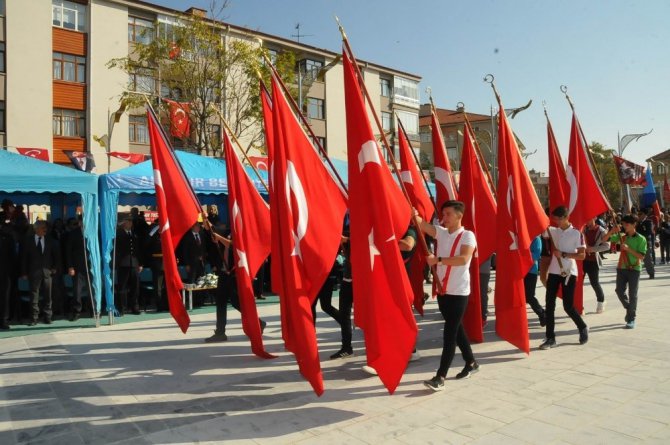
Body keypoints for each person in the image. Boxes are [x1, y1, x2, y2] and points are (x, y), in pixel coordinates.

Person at [415, 200, 478, 391]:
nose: (444, 218)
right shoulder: (441, 232)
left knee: (449, 333)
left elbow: (463, 259)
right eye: (443, 214)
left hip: (458, 292)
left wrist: (438, 260)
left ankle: (440, 376)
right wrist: (411, 211)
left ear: (459, 215)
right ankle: (471, 362)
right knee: (457, 329)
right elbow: (421, 224)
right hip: (443, 291)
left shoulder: (468, 235)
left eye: (448, 214)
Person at [204, 225, 266, 342]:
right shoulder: (228, 231)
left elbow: (235, 247)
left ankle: (258, 322)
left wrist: (219, 238)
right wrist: (209, 226)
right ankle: (220, 332)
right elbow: (215, 230)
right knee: (220, 302)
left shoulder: (243, 232)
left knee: (237, 302)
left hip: (235, 273)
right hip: (224, 272)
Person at [540, 206, 588, 350]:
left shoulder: (576, 234)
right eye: (554, 219)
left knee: (568, 306)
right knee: (549, 305)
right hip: (554, 272)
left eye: (558, 219)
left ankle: (582, 327)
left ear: (566, 217)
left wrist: (565, 255)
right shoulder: (553, 231)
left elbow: (582, 255)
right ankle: (550, 338)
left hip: (569, 273)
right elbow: (541, 228)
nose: (556, 221)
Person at [603, 214, 647, 329]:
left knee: (633, 294)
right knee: (619, 291)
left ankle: (631, 318)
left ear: (634, 225)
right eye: (623, 224)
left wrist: (628, 249)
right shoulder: (622, 236)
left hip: (634, 269)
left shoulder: (641, 239)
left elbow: (641, 257)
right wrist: (612, 230)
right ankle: (629, 308)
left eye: (626, 224)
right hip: (622, 268)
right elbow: (604, 239)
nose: (624, 226)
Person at [21, 221, 61, 325]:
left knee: (48, 295)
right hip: (33, 273)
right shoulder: (28, 241)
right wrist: (24, 272)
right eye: (43, 227)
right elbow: (24, 258)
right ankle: (34, 318)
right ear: (36, 229)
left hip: (47, 272)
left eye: (45, 227)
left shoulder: (50, 240)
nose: (45, 229)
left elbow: (56, 256)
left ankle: (48, 316)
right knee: (34, 296)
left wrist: (54, 267)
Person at [115, 216, 142, 315]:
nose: (130, 223)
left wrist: (140, 263)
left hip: (134, 264)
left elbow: (138, 250)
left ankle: (134, 307)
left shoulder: (134, 234)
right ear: (124, 223)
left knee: (135, 287)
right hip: (123, 264)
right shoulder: (119, 234)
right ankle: (122, 308)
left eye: (131, 222)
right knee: (122, 287)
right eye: (128, 221)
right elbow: (117, 251)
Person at [582, 217, 610, 314]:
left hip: (593, 261)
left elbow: (607, 246)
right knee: (578, 283)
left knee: (594, 283)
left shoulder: (601, 230)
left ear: (594, 218)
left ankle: (601, 301)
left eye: (589, 218)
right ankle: (578, 305)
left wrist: (592, 249)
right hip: (582, 260)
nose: (587, 220)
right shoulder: (583, 229)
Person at [65, 218, 90, 321]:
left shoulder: (92, 232)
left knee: (92, 289)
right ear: (80, 222)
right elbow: (68, 251)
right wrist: (70, 266)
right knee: (77, 290)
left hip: (90, 266)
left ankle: (93, 310)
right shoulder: (73, 233)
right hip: (77, 266)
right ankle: (76, 311)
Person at [524, 236, 546, 326]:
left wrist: (522, 255)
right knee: (522, 296)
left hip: (531, 271)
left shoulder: (536, 238)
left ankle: (542, 314)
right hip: (520, 271)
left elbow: (536, 255)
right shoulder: (522, 237)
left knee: (529, 296)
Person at [0, 220, 16, 329]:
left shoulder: (7, 237)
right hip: (5, 272)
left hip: (5, 272)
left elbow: (13, 256)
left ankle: (3, 320)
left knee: (4, 296)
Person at [636, 209, 656, 278]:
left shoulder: (648, 222)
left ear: (644, 215)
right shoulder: (637, 223)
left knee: (647, 259)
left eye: (640, 214)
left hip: (645, 242)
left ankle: (651, 273)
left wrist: (639, 235)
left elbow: (648, 232)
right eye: (638, 214)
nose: (638, 216)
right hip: (637, 243)